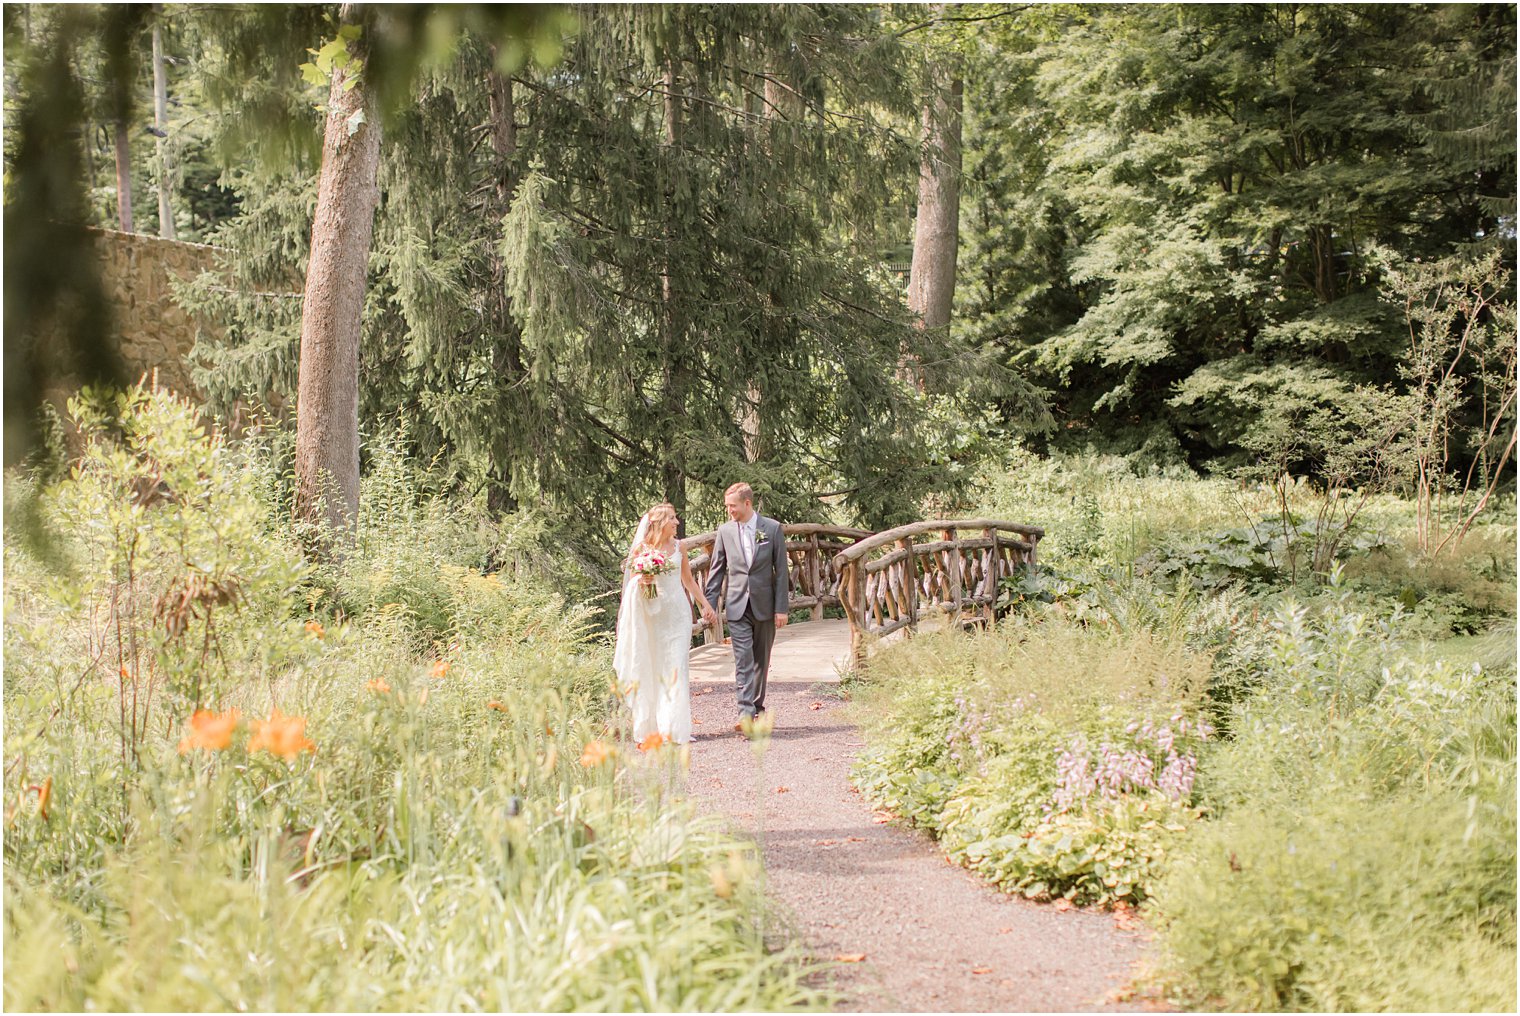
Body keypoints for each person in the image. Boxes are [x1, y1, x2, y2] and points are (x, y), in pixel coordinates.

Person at [613, 503, 718, 745]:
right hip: (653, 616)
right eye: (672, 518)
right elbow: (634, 582)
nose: (677, 522)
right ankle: (653, 727)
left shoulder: (679, 546)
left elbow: (689, 581)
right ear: (660, 522)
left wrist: (705, 605)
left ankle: (674, 728)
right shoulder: (643, 549)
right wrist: (644, 579)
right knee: (653, 665)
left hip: (678, 614)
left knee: (676, 667)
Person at [703, 482, 789, 732]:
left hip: (765, 605)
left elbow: (782, 572)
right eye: (727, 506)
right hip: (737, 605)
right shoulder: (725, 531)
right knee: (743, 660)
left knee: (761, 660)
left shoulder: (772, 529)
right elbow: (716, 570)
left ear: (747, 503)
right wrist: (709, 604)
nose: (729, 511)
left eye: (733, 506)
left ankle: (757, 709)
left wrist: (781, 608)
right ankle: (745, 713)